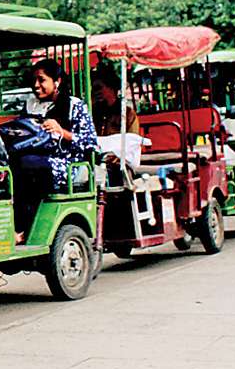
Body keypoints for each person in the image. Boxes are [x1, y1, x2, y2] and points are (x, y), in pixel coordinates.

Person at [11, 59, 98, 241]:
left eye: (41, 80)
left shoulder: (75, 106)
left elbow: (91, 144)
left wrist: (62, 132)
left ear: (56, 81)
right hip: (33, 159)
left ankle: (23, 228)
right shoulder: (30, 105)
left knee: (27, 165)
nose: (36, 86)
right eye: (34, 80)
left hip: (68, 165)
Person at [92, 66, 140, 137]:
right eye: (93, 89)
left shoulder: (127, 114)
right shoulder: (93, 114)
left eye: (98, 88)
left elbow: (132, 141)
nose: (95, 92)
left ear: (111, 87)